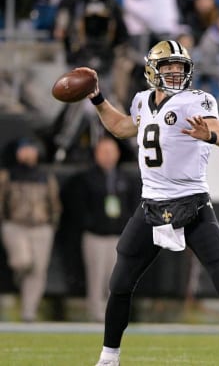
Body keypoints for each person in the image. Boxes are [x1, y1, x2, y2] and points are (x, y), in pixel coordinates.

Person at [77, 39, 219, 366]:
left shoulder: (195, 101)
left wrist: (211, 136)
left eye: (180, 67)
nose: (175, 73)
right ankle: (108, 358)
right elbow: (120, 127)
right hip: (151, 205)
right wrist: (98, 99)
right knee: (120, 283)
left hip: (192, 205)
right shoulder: (143, 101)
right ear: (152, 70)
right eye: (168, 67)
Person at [63, 136, 140, 322]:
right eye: (103, 152)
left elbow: (133, 205)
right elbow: (78, 207)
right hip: (95, 235)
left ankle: (113, 314)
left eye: (110, 152)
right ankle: (96, 314)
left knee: (115, 278)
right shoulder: (86, 179)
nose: (107, 156)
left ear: (118, 154)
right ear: (96, 154)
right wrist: (90, 222)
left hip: (118, 236)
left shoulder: (124, 179)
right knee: (96, 276)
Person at [0, 138, 62, 322]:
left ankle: (29, 312)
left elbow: (54, 203)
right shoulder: (8, 175)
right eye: (24, 150)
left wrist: (52, 224)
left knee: (38, 270)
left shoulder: (45, 176)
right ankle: (19, 278)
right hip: (15, 225)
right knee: (22, 261)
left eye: (31, 149)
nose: (28, 153)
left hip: (41, 226)